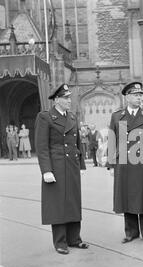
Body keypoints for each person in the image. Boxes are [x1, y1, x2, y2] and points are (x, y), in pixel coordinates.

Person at [35, 83, 88, 255]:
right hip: (56, 166)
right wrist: (46, 170)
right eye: (65, 98)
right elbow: (41, 146)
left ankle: (74, 238)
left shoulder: (72, 117)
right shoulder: (46, 117)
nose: (69, 100)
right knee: (57, 204)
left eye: (69, 97)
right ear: (56, 100)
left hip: (71, 166)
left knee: (73, 201)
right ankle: (60, 242)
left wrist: (80, 164)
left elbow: (77, 143)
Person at [107, 82, 143, 244]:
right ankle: (131, 232)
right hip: (124, 164)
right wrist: (111, 163)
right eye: (136, 95)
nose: (139, 98)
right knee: (127, 197)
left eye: (140, 95)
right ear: (127, 97)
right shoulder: (117, 116)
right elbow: (112, 140)